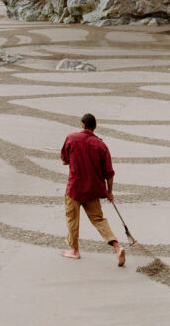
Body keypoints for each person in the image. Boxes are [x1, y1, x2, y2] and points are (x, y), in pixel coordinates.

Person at [59, 113, 126, 267]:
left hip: (75, 189)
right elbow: (109, 173)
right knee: (98, 219)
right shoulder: (101, 146)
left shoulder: (71, 138)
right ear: (95, 127)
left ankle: (74, 251)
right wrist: (109, 192)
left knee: (72, 218)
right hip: (93, 190)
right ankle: (117, 247)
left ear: (82, 125)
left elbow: (64, 160)